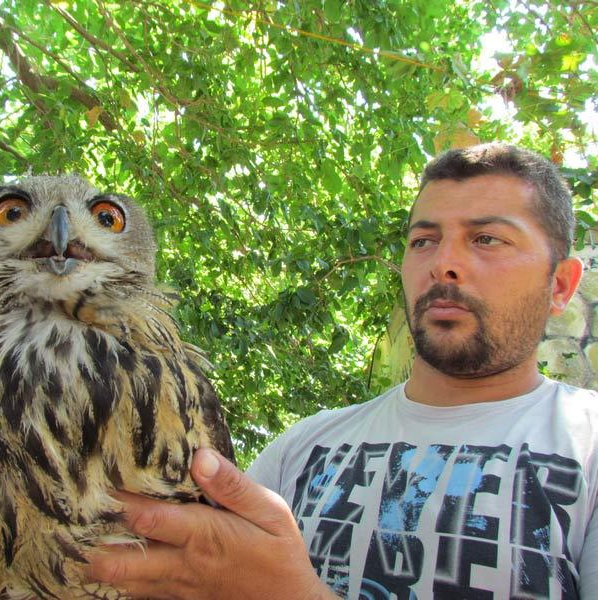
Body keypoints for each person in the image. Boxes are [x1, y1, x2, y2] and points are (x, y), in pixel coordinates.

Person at [87, 142, 597, 598]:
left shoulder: (587, 444)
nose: (443, 263)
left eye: (486, 239)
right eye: (423, 240)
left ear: (560, 285)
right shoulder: (303, 447)